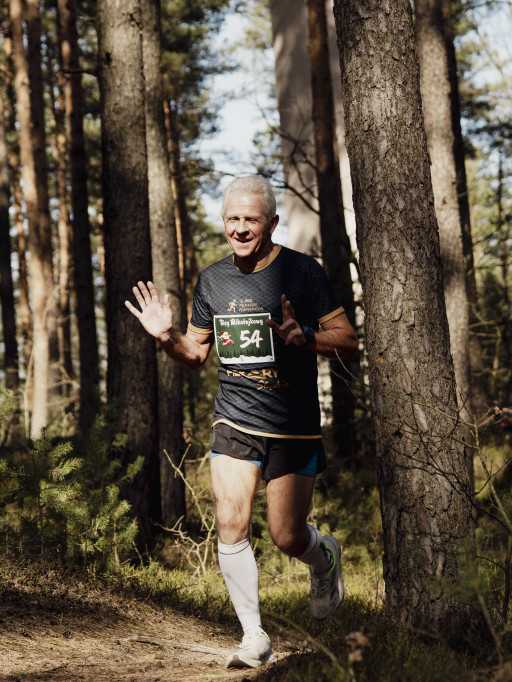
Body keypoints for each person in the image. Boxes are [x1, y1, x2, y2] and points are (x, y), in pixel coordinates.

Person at [125, 175, 358, 669]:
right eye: (233, 218)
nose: (240, 228)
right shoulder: (212, 280)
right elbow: (195, 355)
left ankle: (323, 555)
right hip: (235, 419)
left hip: (293, 425)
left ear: (271, 223)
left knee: (286, 535)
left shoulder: (303, 272)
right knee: (230, 524)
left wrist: (307, 338)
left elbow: (348, 337)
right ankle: (254, 637)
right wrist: (165, 336)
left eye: (251, 219)